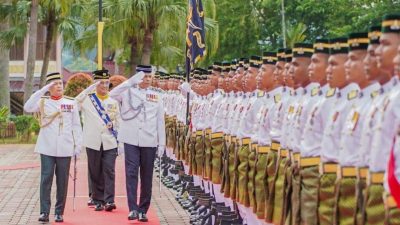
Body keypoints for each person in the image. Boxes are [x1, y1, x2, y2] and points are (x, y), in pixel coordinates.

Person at [24, 72, 82, 223]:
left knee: (62, 181)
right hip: (47, 147)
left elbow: (76, 126)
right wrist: (42, 91)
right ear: (49, 87)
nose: (58, 86)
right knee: (46, 179)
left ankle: (59, 212)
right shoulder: (42, 102)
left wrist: (78, 145)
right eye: (55, 84)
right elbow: (27, 107)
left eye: (60, 83)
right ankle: (44, 212)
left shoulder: (71, 103)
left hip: (65, 147)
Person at [109, 65, 166, 222]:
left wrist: (162, 143)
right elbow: (111, 94)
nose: (147, 79)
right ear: (137, 77)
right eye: (144, 77)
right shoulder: (127, 92)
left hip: (149, 140)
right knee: (131, 173)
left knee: (147, 176)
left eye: (149, 77)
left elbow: (160, 121)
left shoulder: (156, 96)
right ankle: (133, 208)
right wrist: (129, 82)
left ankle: (143, 209)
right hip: (131, 139)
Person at [75, 70, 121, 212]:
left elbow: (118, 122)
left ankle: (109, 200)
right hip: (93, 141)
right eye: (101, 82)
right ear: (95, 84)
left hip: (109, 141)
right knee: (95, 171)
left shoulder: (113, 101)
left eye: (106, 82)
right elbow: (75, 103)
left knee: (109, 170)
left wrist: (120, 140)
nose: (104, 85)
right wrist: (88, 89)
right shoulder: (88, 100)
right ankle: (98, 200)